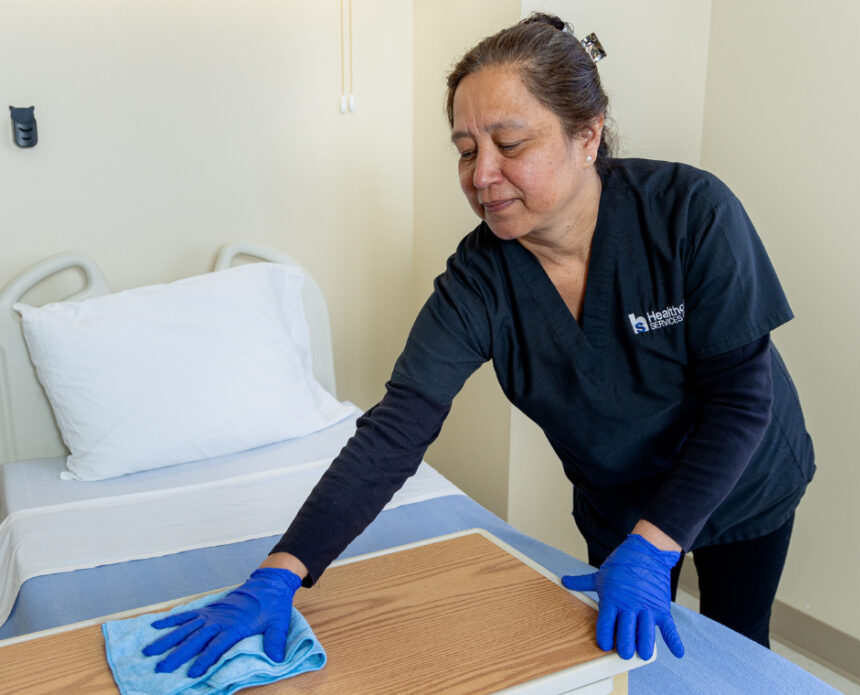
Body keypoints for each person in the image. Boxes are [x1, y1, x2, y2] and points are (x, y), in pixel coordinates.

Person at [142, 13, 814, 677]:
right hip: (618, 499)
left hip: (740, 480)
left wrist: (655, 547)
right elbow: (396, 430)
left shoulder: (689, 212)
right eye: (466, 151)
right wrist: (282, 570)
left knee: (739, 659)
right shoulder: (480, 280)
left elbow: (740, 400)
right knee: (625, 666)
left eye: (509, 144)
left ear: (587, 136)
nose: (482, 174)